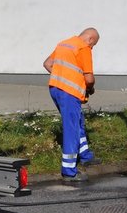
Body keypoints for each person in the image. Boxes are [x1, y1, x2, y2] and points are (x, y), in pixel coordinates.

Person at [43, 28, 101, 184]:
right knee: (72, 128)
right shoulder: (83, 48)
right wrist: (89, 88)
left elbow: (47, 64)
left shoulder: (64, 44)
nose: (92, 47)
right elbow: (89, 79)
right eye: (94, 44)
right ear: (90, 39)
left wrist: (62, 77)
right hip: (70, 93)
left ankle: (85, 155)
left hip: (55, 88)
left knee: (78, 121)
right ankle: (69, 171)